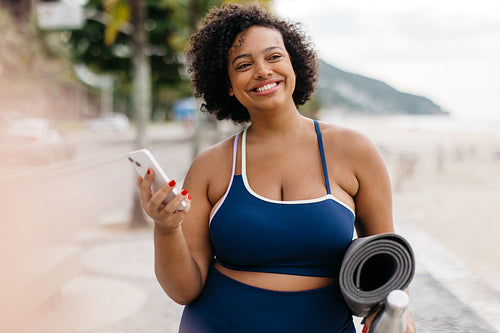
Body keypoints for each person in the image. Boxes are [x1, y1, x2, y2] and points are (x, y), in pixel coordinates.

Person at [137, 3, 416, 332]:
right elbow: (184, 289)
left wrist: (396, 310)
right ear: (227, 84)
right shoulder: (210, 166)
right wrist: (166, 229)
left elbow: (388, 257)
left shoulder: (354, 150)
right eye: (243, 64)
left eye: (273, 57)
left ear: (293, 65)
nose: (262, 71)